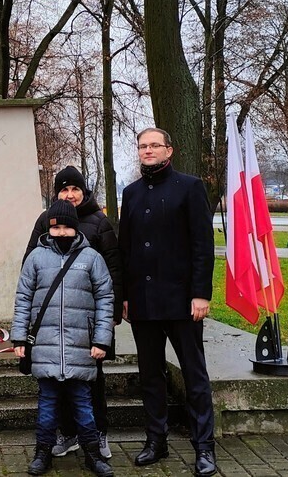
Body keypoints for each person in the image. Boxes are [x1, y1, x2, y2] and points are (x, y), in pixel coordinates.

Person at [119, 129, 217, 477]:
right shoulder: (130, 194)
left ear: (169, 151)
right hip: (143, 302)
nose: (148, 151)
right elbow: (125, 250)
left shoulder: (189, 187)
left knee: (194, 375)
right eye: (143, 146)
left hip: (182, 301)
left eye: (154, 145)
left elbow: (203, 246)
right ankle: (156, 441)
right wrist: (125, 297)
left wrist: (201, 293)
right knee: (150, 377)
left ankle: (204, 447)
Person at [23, 166, 122, 460]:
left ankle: (98, 434)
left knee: (92, 382)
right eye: (64, 190)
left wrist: (113, 313)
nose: (70, 195)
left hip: (88, 322)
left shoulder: (99, 222)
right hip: (53, 321)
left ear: (84, 191)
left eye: (75, 189)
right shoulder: (45, 220)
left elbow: (112, 270)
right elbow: (30, 264)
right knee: (57, 383)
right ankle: (67, 434)